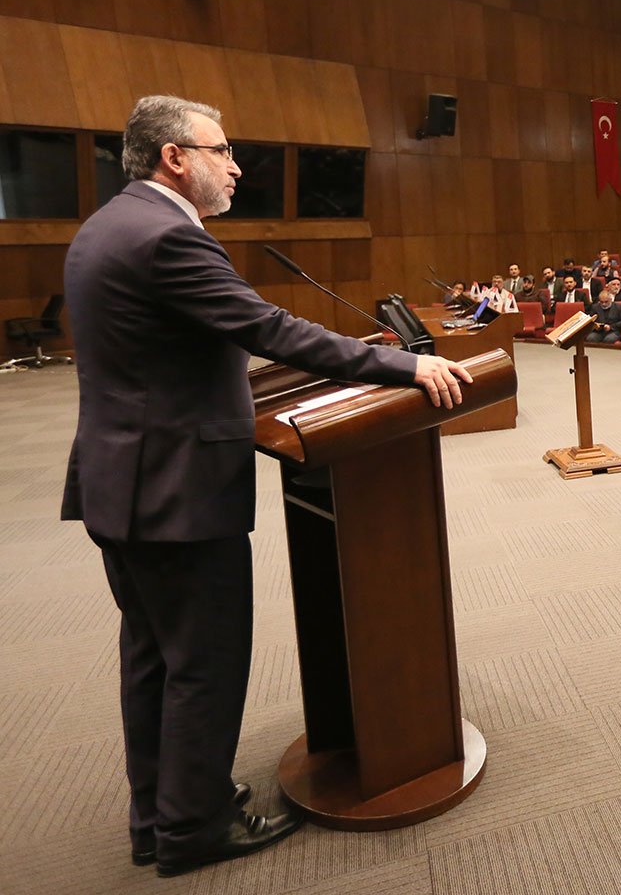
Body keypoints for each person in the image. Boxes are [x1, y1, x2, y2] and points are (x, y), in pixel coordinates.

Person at [63, 96, 472, 877]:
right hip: (175, 491)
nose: (235, 165)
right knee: (204, 662)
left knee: (155, 658)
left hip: (125, 481)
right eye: (220, 150)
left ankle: (159, 817)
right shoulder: (167, 236)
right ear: (174, 158)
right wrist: (407, 363)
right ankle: (194, 827)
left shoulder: (108, 225)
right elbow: (270, 330)